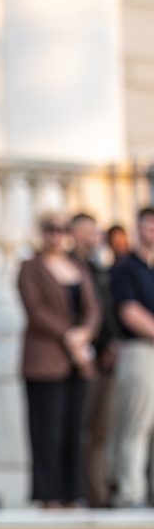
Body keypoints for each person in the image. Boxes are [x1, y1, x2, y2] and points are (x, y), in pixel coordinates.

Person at [16, 215, 101, 507]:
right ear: (41, 233)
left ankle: (70, 492)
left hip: (77, 360)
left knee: (74, 428)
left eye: (61, 230)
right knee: (46, 428)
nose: (57, 236)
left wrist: (85, 334)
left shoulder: (77, 268)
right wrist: (68, 335)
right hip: (45, 359)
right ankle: (47, 493)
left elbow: (93, 308)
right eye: (51, 230)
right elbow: (35, 309)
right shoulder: (30, 268)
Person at [70, 212, 118, 507]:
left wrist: (112, 343)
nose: (94, 237)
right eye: (88, 231)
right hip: (80, 359)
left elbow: (106, 310)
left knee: (101, 431)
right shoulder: (69, 269)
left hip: (105, 358)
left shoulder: (98, 269)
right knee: (81, 428)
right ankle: (78, 491)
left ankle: (97, 492)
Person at [109, 206, 154, 506]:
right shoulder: (125, 267)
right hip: (140, 350)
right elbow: (129, 311)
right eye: (147, 225)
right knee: (136, 424)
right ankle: (130, 493)